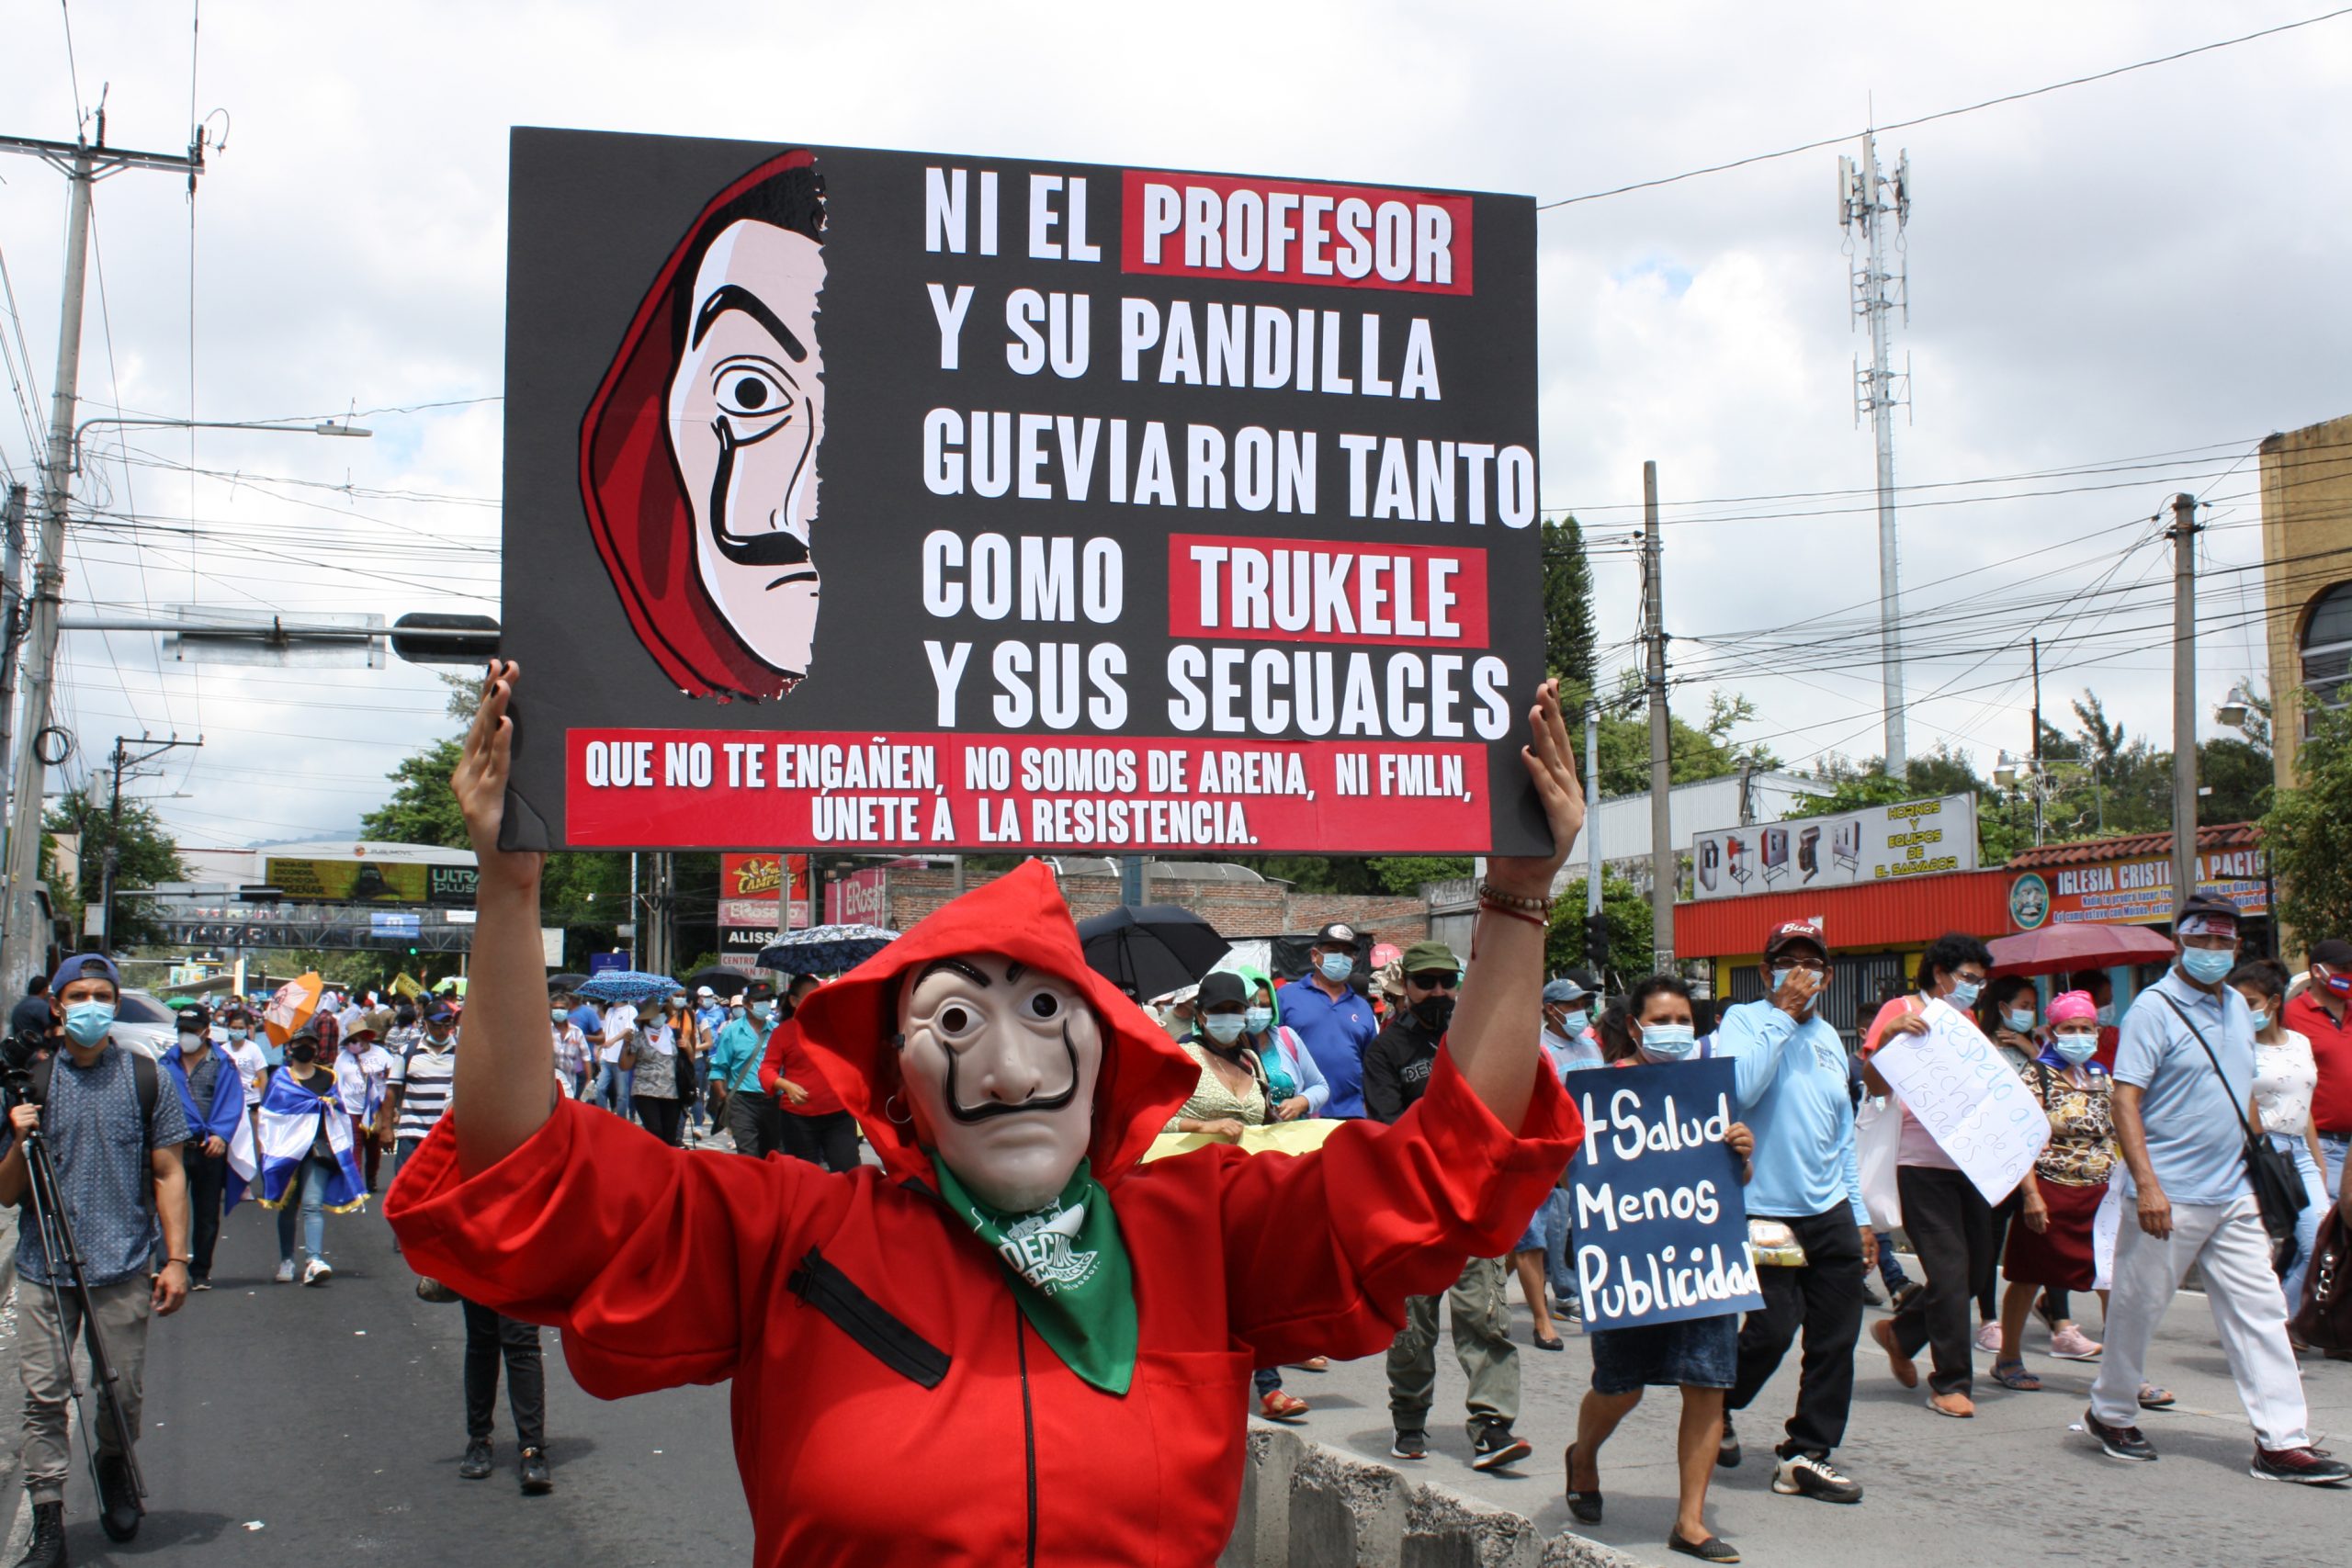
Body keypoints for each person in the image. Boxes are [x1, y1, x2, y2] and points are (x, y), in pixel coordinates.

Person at [387, 660, 1588, 1566]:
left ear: (1106, 1052)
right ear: (895, 1079)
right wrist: (510, 885)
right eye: (955, 1020)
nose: (1009, 1070)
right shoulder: (790, 1237)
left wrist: (1518, 896)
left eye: (1044, 1012)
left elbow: (1454, 1170)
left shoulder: (1204, 1228)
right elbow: (524, 1178)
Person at [2081, 894, 2348, 1482]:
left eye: (2222, 941)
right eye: (2200, 939)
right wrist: (2147, 1186)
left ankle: (2282, 1441)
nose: (2211, 950)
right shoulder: (2154, 1009)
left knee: (2262, 1312)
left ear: (2236, 946)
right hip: (2168, 1192)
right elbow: (2125, 1100)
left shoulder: (2234, 1006)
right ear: (2180, 942)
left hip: (2233, 1191)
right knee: (2137, 1308)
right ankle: (2111, 1411)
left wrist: (2258, 1167)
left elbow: (2241, 1088)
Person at [0, 954, 191, 1563]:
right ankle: (48, 1517)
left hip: (123, 1264)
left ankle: (113, 1462)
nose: (91, 1006)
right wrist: (20, 1136)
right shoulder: (30, 1082)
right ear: (57, 1006)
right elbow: (6, 1192)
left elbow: (169, 1172)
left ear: (114, 1002)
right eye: (78, 995)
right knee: (44, 1396)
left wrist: (177, 1259)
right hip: (44, 1266)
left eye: (102, 995)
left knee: (122, 1391)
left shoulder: (147, 1079)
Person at [1566, 974, 1755, 1565]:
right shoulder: (1599, 1096)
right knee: (1620, 1387)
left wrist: (1742, 1152)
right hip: (1629, 1266)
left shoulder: (1707, 1091)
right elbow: (1575, 1176)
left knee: (1708, 1386)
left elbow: (1732, 1182)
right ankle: (1583, 1456)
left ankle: (1690, 1522)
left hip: (1702, 1261)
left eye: (1684, 1022)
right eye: (1661, 1021)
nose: (1674, 1031)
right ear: (1634, 1026)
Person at [1714, 919, 1871, 1504]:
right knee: (1773, 1330)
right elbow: (1738, 1092)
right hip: (1764, 1210)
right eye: (1788, 962)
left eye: (1812, 965)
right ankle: (1717, 1401)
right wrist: (1781, 1014)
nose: (1801, 974)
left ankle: (1806, 1452)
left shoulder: (1830, 1040)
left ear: (1826, 977)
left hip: (1828, 1208)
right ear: (1766, 971)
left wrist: (1859, 1214)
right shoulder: (1743, 1021)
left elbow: (1842, 1136)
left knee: (1835, 1338)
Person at [1365, 940, 1533, 1472]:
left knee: (1486, 1317)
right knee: (1413, 1327)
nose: (1438, 992)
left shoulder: (1480, 1039)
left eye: (1447, 982)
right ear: (1406, 988)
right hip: (1415, 1209)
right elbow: (1386, 1126)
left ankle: (1492, 1426)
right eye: (1426, 983)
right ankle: (1409, 1419)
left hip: (1476, 1204)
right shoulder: (1386, 1051)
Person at [1861, 932, 2001, 1418]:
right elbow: (1874, 1085)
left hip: (1969, 1162)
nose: (1975, 988)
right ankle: (1951, 1382)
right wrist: (1888, 1038)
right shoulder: (1900, 1009)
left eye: (1981, 981)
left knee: (1977, 1271)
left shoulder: (1967, 1022)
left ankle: (1900, 1334)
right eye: (1968, 978)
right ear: (1939, 974)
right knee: (1949, 1269)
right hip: (1918, 1164)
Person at [1163, 972, 1306, 1422]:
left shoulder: (1250, 1060)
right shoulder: (1182, 1057)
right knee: (1200, 1292)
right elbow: (1151, 1118)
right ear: (1202, 1015)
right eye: (1220, 1011)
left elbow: (1261, 1122)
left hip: (1246, 1192)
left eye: (1236, 1010)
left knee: (1253, 1286)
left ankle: (1269, 1386)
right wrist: (1202, 1126)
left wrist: (1280, 1121)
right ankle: (1194, 1384)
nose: (1229, 1018)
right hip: (1190, 1193)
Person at [1989, 990, 2116, 1390]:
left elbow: (2115, 1130)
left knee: (2111, 1280)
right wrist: (2031, 1195)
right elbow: (2021, 1138)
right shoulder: (2037, 1075)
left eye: (2086, 1028)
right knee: (2028, 1277)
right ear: (2053, 1032)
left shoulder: (2101, 1075)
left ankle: (2123, 1370)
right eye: (2069, 1029)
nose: (2079, 1036)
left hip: (2100, 1194)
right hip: (2050, 1189)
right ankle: (2008, 1358)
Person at [2234, 960, 2332, 1314]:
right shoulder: (2239, 1049)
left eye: (2250, 1003)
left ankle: (2279, 1322)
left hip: (2300, 1152)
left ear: (2274, 1003)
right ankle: (2270, 1329)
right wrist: (2261, 1157)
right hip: (2262, 1153)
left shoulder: (2300, 1043)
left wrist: (2317, 1160)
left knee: (2322, 1247)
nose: (2244, 1011)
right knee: (2261, 1253)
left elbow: (2303, 1105)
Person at [263, 1021, 364, 1285]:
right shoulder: (281, 1079)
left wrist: (330, 1105)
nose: (305, 1048)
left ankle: (313, 1260)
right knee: (287, 1206)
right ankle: (287, 1260)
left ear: (317, 1048)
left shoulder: (329, 1078)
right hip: (288, 1151)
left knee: (312, 1204)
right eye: (300, 1044)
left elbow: (341, 1111)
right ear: (290, 1049)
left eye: (310, 1044)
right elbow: (271, 1114)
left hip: (318, 1150)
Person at [162, 1005, 246, 1292]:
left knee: (207, 1212)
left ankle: (200, 1271)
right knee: (168, 1208)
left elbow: (232, 1101)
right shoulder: (166, 1063)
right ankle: (166, 1265)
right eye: (182, 1030)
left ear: (206, 1032)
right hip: (175, 1146)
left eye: (192, 1030)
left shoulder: (223, 1064)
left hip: (209, 1147)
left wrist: (221, 1135)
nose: (186, 1035)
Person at [1278, 921, 1379, 1118]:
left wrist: (1368, 1104)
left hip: (1352, 1113)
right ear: (1314, 955)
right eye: (1333, 951)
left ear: (1354, 960)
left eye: (1347, 953)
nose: (1340, 958)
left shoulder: (1362, 1007)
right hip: (1300, 1112)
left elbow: (1372, 1063)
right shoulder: (1286, 997)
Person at [762, 974, 860, 1171]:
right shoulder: (783, 1032)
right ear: (793, 1001)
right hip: (798, 1118)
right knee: (805, 1176)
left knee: (850, 1173)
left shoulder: (837, 1026)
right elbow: (767, 1070)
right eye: (810, 998)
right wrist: (786, 1085)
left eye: (820, 997)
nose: (816, 1003)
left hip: (838, 1114)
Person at [2283, 936, 2352, 1212]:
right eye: (2343, 968)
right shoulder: (2291, 1015)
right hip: (2324, 1144)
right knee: (2329, 1226)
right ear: (2317, 971)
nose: (2349, 975)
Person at [711, 981, 783, 1157]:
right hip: (742, 1102)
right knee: (748, 1154)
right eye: (758, 1000)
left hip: (773, 1102)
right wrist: (724, 1097)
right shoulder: (732, 1031)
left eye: (767, 999)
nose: (764, 1004)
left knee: (773, 1155)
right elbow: (718, 1069)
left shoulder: (778, 1031)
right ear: (746, 1003)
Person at [335, 1012, 394, 1191]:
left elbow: (392, 1079)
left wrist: (392, 1109)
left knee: (374, 1148)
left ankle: (371, 1177)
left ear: (366, 1037)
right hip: (352, 1108)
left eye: (358, 1039)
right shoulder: (343, 1058)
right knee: (355, 1145)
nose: (355, 1044)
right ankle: (355, 1183)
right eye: (351, 1041)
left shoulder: (382, 1054)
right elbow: (337, 1082)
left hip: (375, 1109)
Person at [631, 995, 689, 1146]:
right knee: (654, 1131)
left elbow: (688, 1060)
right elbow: (625, 1065)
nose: (658, 1016)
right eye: (654, 1014)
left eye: (661, 1012)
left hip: (671, 1091)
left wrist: (687, 1046)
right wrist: (626, 1045)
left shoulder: (674, 1034)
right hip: (645, 1090)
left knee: (669, 1136)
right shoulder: (637, 1037)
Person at [550, 1002, 589, 1100]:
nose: (559, 1011)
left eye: (562, 1008)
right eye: (555, 1008)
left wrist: (589, 1080)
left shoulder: (576, 1031)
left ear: (567, 1009)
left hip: (570, 1080)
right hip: (551, 1081)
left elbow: (586, 1056)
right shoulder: (546, 1031)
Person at [7, 974, 51, 1045]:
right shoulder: (41, 1006)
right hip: (36, 1048)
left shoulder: (19, 1006)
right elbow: (53, 1027)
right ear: (44, 990)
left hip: (20, 1047)